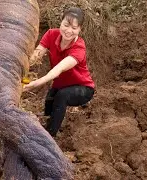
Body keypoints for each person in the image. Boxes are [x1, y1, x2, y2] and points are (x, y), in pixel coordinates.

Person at [23, 7, 95, 137]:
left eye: (74, 28)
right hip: (60, 85)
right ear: (60, 23)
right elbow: (36, 56)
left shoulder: (79, 47)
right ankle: (46, 126)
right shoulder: (51, 34)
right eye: (66, 25)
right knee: (50, 101)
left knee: (62, 96)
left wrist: (36, 83)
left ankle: (50, 136)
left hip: (83, 89)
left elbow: (59, 69)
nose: (68, 31)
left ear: (80, 30)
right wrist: (22, 67)